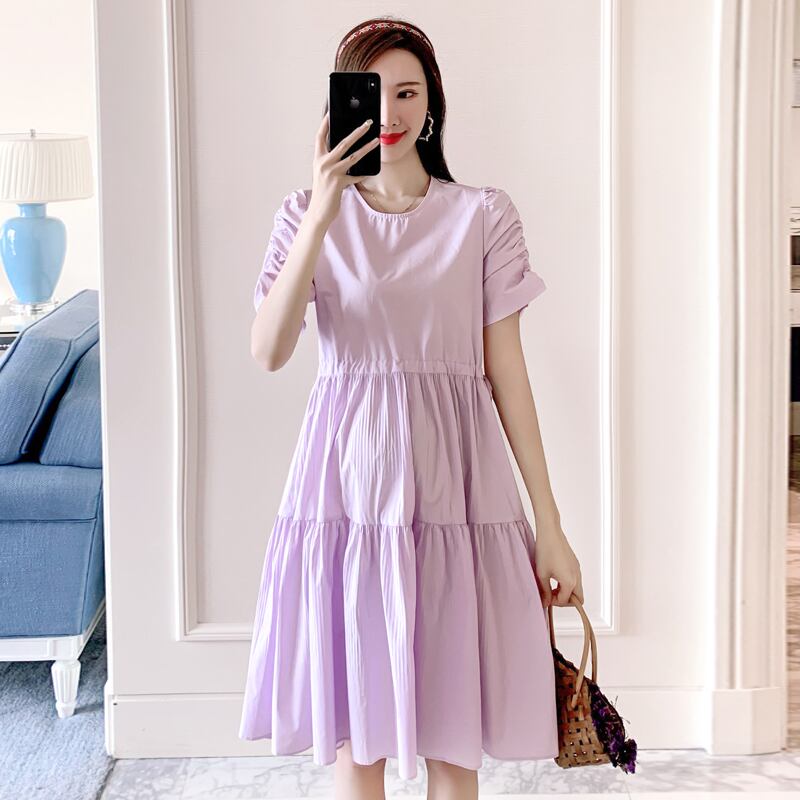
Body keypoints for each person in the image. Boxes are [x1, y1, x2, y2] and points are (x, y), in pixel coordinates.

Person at [239, 16, 584, 800]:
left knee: (454, 745)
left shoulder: (483, 216)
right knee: (357, 743)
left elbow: (507, 375)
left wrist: (551, 525)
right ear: (341, 104)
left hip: (459, 493)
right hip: (350, 495)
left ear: (432, 104)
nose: (389, 113)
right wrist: (324, 211)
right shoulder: (305, 215)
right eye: (372, 94)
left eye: (408, 93)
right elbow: (269, 349)